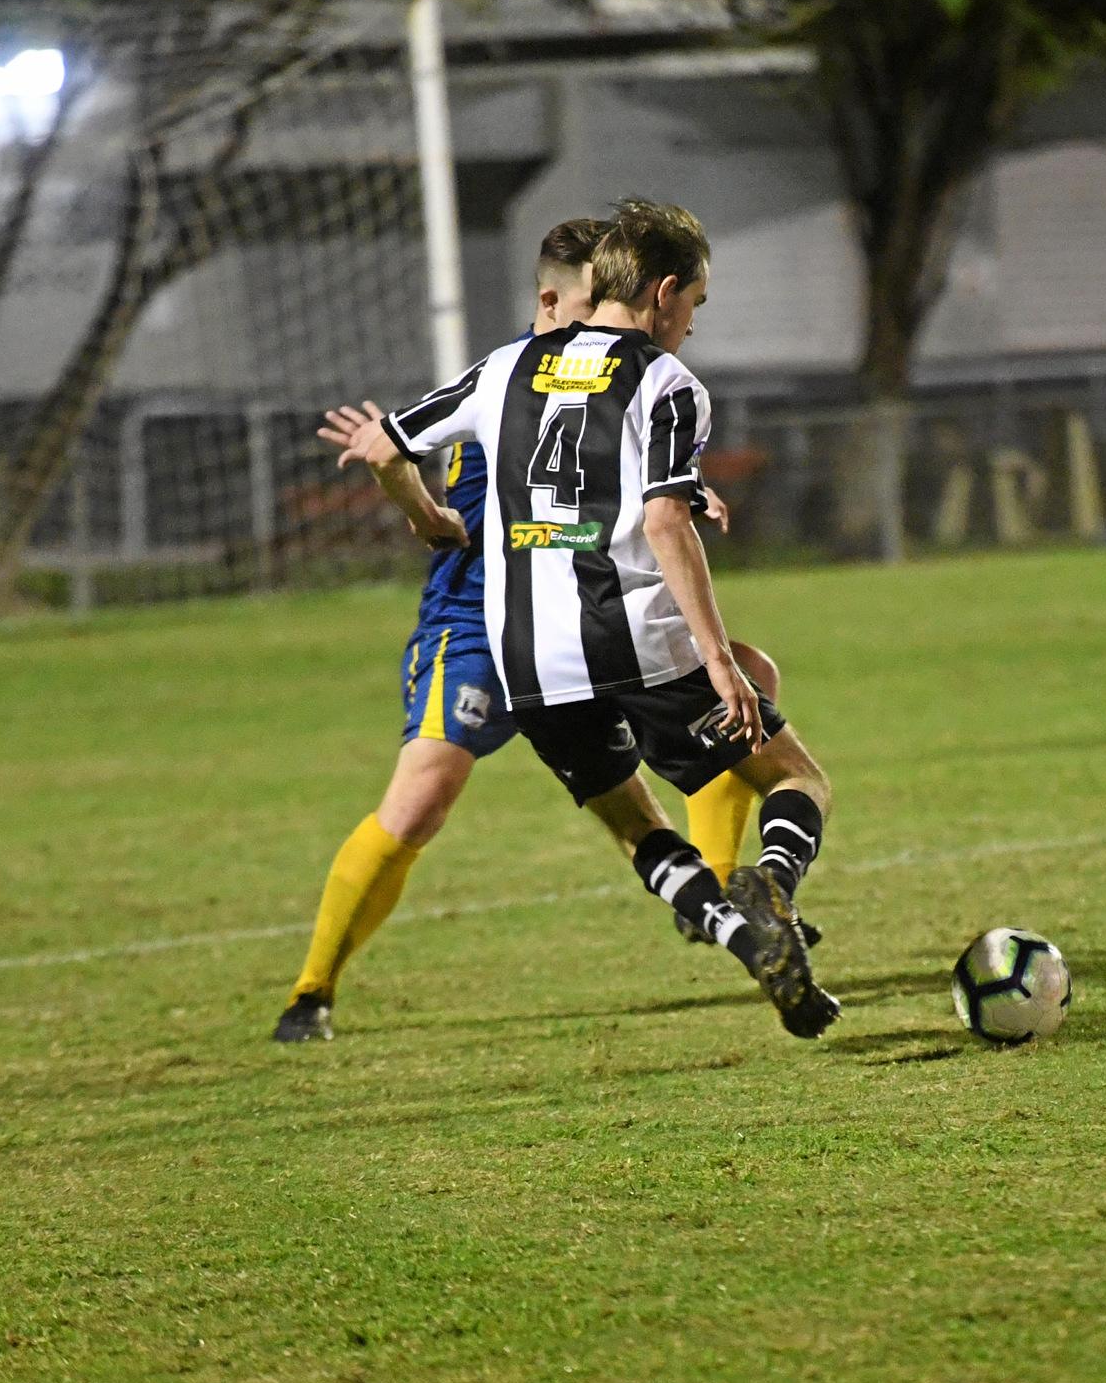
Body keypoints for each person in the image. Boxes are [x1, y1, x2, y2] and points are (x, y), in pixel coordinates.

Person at [271, 218, 796, 1043]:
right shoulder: (511, 377)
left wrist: (687, 491)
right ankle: (311, 990)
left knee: (738, 689)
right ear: (553, 301)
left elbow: (629, 479)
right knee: (418, 805)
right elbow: (400, 449)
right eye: (592, 304)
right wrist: (434, 518)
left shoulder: (608, 375)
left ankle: (723, 902)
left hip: (583, 622)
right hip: (481, 624)